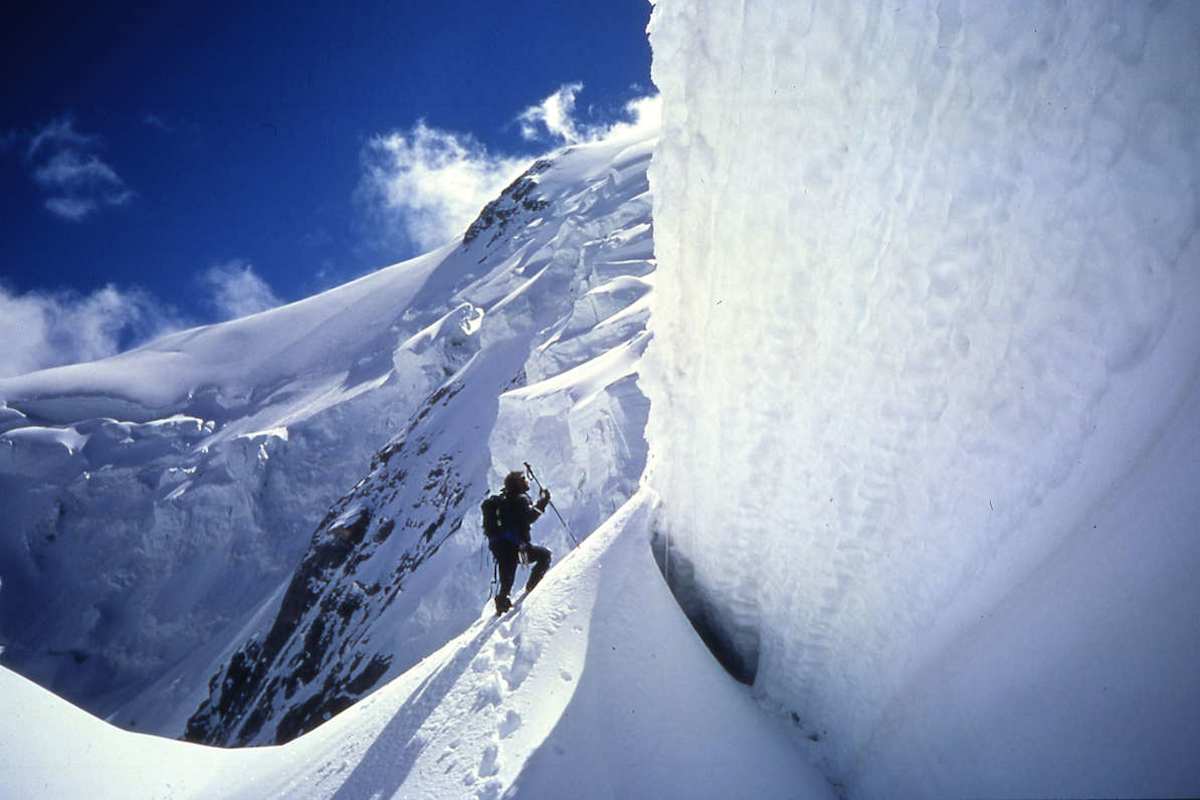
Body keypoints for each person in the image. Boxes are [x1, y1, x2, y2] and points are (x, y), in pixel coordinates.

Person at [484, 470, 553, 615]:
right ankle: (532, 589)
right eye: (523, 479)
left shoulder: (505, 500)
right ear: (518, 483)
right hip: (517, 547)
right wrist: (544, 502)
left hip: (501, 548)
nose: (527, 481)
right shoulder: (520, 499)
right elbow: (528, 517)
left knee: (506, 582)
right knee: (544, 556)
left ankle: (502, 606)